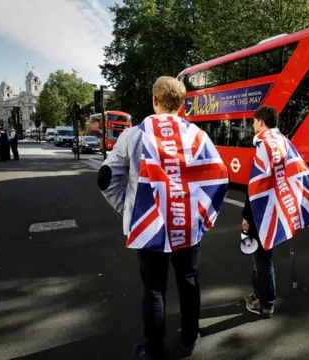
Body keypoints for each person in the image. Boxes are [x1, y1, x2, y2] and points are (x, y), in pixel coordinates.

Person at [97, 76, 229, 360]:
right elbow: (219, 177)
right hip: (187, 227)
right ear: (182, 105)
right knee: (189, 281)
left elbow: (106, 179)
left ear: (154, 101)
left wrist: (129, 211)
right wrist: (203, 217)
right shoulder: (198, 136)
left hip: (150, 226)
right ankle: (190, 339)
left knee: (154, 289)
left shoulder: (134, 135)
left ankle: (153, 350)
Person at [241, 105, 309, 318]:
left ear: (261, 122)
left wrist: (247, 216)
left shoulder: (264, 145)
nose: (253, 126)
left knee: (261, 258)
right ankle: (259, 295)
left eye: (254, 122)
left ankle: (266, 303)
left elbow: (255, 186)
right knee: (263, 255)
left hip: (263, 210)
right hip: (276, 209)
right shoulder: (283, 141)